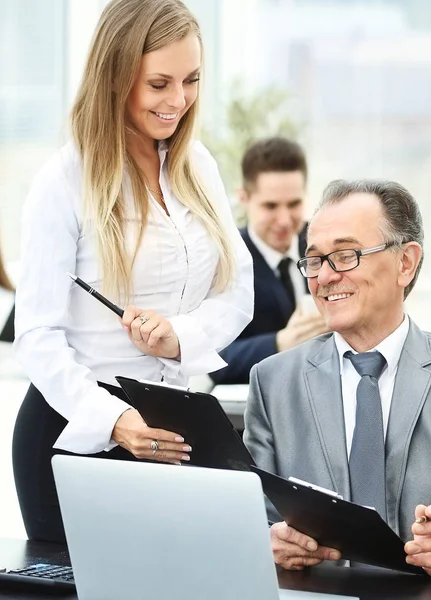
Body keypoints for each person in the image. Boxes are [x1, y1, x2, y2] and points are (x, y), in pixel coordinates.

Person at [12, 0, 253, 544]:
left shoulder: (199, 166)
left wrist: (178, 338)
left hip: (173, 426)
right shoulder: (63, 182)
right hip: (75, 433)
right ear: (116, 77)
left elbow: (239, 291)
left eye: (191, 80)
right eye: (159, 83)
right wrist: (114, 420)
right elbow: (36, 336)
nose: (178, 101)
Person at [244, 179, 431, 578]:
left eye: (345, 255)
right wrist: (271, 539)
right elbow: (252, 520)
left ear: (405, 263)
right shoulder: (272, 382)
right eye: (315, 260)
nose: (324, 276)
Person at [211, 137, 327, 385]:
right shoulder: (226, 260)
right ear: (243, 198)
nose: (284, 220)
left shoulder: (327, 245)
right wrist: (280, 343)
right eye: (271, 206)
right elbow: (216, 359)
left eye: (294, 204)